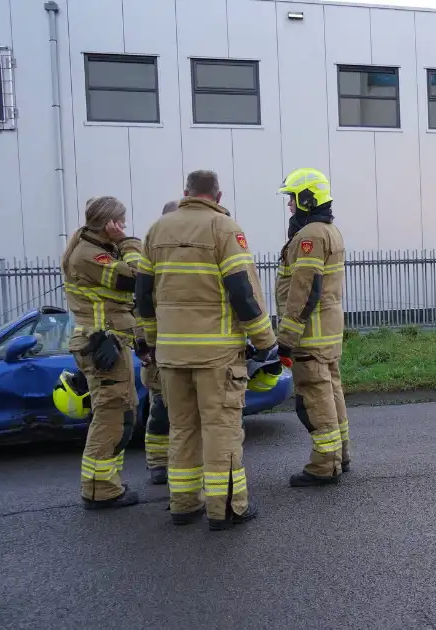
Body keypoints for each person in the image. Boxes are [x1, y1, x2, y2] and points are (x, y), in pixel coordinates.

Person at [137, 171, 275, 531]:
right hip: (217, 355)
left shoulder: (156, 230)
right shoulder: (224, 228)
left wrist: (152, 342)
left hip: (170, 355)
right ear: (217, 195)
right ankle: (226, 508)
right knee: (221, 429)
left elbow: (143, 295)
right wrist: (265, 342)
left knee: (182, 428)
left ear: (185, 193)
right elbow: (242, 290)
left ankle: (183, 504)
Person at [62, 196, 146, 509]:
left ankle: (105, 482)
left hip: (108, 341)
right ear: (108, 224)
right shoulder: (90, 256)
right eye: (120, 223)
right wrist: (128, 242)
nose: (123, 227)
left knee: (119, 411)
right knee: (111, 414)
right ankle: (99, 489)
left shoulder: (92, 250)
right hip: (101, 344)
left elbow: (119, 306)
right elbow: (137, 278)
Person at [275, 168, 350, 487]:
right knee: (331, 392)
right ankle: (340, 454)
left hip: (310, 333)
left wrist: (287, 337)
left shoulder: (309, 236)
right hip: (328, 330)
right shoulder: (329, 230)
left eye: (292, 198)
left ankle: (324, 464)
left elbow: (304, 288)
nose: (289, 205)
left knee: (314, 399)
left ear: (307, 199)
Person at [140, 200, 179, 485]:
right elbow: (140, 304)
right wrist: (144, 345)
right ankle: (158, 463)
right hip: (160, 349)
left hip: (180, 347)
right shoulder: (151, 252)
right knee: (160, 410)